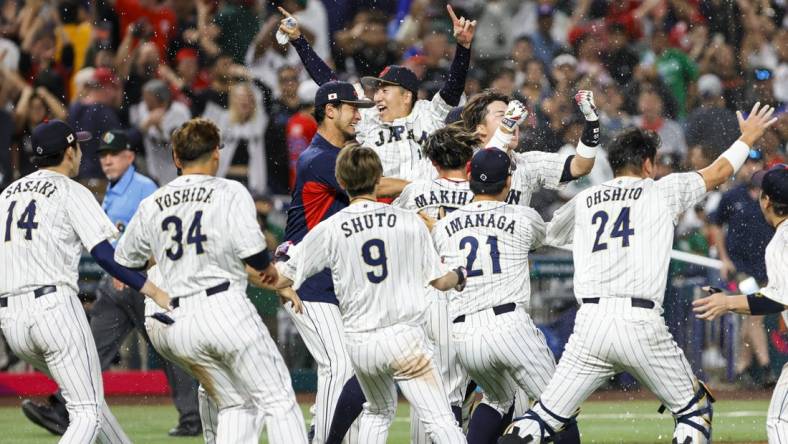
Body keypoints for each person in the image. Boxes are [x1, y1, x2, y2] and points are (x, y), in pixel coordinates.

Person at [500, 102, 777, 444]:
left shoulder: (585, 200)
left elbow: (544, 235)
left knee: (540, 419)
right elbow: (719, 172)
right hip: (640, 322)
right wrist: (747, 139)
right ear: (648, 164)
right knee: (694, 412)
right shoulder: (661, 191)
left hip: (590, 326)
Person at [114, 117, 308, 444]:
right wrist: (275, 277)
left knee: (236, 403)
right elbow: (255, 256)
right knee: (278, 399)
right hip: (223, 307)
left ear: (176, 158)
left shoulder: (152, 203)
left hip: (176, 322)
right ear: (216, 154)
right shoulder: (229, 191)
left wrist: (154, 291)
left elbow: (123, 263)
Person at [270, 144, 468, 443]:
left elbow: (282, 274)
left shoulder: (331, 227)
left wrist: (282, 275)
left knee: (377, 411)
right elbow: (440, 281)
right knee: (440, 420)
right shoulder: (408, 220)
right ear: (378, 178)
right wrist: (460, 275)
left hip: (362, 344)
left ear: (342, 180)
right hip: (405, 339)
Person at [19, 129, 201, 438]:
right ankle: (64, 410)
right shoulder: (112, 190)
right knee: (92, 346)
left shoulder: (144, 187)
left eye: (114, 154)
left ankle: (192, 416)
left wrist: (148, 275)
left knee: (169, 349)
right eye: (102, 155)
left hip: (144, 281)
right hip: (115, 284)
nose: (106, 160)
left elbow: (160, 236)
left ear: (130, 156)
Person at [432, 148, 577, 443]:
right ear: (508, 183)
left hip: (465, 335)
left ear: (470, 177)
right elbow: (540, 238)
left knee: (498, 400)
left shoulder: (444, 227)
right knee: (559, 407)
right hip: (508, 324)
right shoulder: (524, 216)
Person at [277, 5, 475, 180]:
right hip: (384, 213)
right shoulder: (369, 116)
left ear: (406, 96)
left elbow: (453, 88)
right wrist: (299, 41)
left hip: (425, 210)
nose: (378, 96)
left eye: (385, 90)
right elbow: (330, 83)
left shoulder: (429, 113)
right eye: (378, 90)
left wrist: (463, 47)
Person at [280, 80, 375, 444]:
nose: (358, 114)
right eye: (352, 107)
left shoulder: (344, 150)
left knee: (344, 367)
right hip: (306, 279)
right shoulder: (318, 157)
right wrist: (422, 186)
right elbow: (374, 185)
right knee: (340, 364)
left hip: (333, 280)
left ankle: (319, 430)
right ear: (330, 110)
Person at [392, 125, 477, 442]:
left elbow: (391, 232)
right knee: (453, 393)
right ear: (467, 157)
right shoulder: (479, 192)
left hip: (422, 295)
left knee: (426, 389)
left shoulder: (417, 191)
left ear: (433, 159)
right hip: (467, 294)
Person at [692, 165, 788, 442]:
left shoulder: (780, 240)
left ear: (766, 200)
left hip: (753, 280)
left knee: (780, 422)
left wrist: (727, 302)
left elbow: (776, 299)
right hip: (750, 274)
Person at [459, 90, 598, 208]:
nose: (515, 122)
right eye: (503, 115)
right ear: (480, 129)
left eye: (514, 116)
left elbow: (580, 166)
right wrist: (507, 126)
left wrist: (592, 122)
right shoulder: (459, 163)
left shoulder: (526, 163)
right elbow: (486, 164)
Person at [129, 78, 191, 185]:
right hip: (153, 173)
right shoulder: (142, 109)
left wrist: (160, 129)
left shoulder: (180, 112)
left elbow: (182, 145)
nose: (146, 103)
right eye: (144, 98)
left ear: (163, 101)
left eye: (149, 100)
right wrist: (145, 125)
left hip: (176, 173)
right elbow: (130, 140)